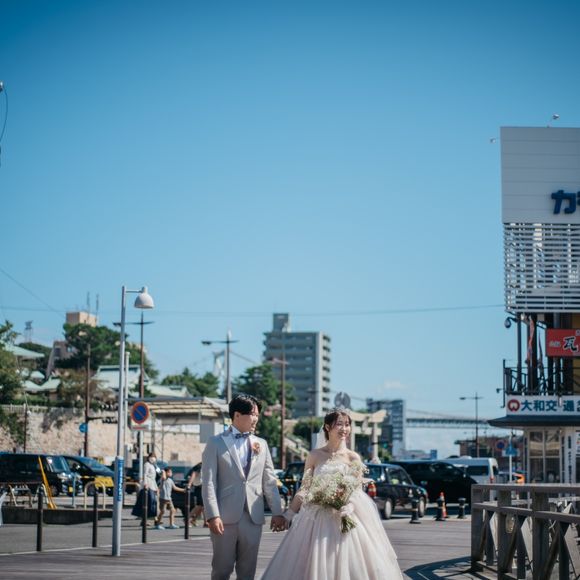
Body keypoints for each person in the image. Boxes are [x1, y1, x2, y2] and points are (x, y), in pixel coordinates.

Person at [261, 409, 404, 580]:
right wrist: (289, 514)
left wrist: (349, 507)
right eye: (339, 424)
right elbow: (305, 488)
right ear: (327, 427)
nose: (344, 429)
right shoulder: (315, 455)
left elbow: (357, 491)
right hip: (316, 519)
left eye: (347, 424)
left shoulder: (353, 458)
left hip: (344, 519)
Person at [202, 394, 287, 580]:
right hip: (224, 518)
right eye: (252, 414)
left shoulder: (261, 444)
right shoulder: (215, 443)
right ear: (237, 415)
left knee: (248, 571)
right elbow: (208, 482)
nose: (256, 418)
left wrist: (277, 512)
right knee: (221, 570)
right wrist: (212, 515)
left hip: (253, 517)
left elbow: (269, 481)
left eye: (257, 414)